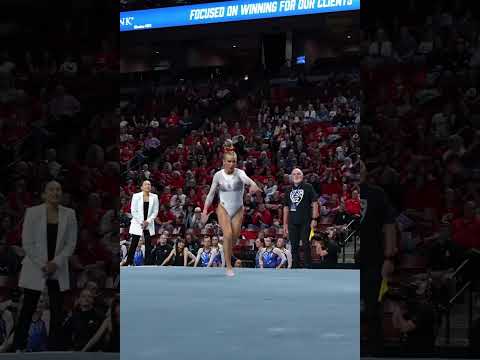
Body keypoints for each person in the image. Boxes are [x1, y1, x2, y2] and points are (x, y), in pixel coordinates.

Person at [13, 180, 78, 351]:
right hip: (36, 267)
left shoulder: (69, 214)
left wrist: (55, 263)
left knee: (57, 309)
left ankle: (55, 347)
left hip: (57, 267)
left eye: (58, 189)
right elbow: (27, 243)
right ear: (44, 194)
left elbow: (71, 243)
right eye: (51, 189)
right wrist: (43, 264)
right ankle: (18, 345)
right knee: (28, 307)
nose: (55, 192)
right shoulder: (32, 213)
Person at [202, 140, 261, 276]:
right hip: (223, 207)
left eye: (234, 161)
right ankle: (228, 266)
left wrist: (253, 185)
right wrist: (205, 210)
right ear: (223, 162)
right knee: (227, 234)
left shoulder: (240, 173)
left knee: (233, 238)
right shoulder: (218, 175)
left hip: (238, 209)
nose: (231, 164)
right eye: (229, 161)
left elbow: (248, 180)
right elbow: (211, 194)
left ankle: (226, 249)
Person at [359, 161, 397, 356]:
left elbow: (389, 224)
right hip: (350, 261)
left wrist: (389, 257)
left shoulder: (377, 194)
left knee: (373, 309)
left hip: (372, 259)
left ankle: (375, 352)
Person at [282, 168, 319, 268]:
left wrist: (315, 219)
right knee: (294, 246)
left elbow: (315, 202)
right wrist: (284, 224)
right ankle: (295, 266)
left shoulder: (308, 187)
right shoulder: (288, 190)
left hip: (305, 221)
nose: (296, 176)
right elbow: (285, 208)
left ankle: (308, 266)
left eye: (298, 174)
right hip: (292, 222)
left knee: (306, 244)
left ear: (302, 176)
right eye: (294, 174)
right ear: (291, 177)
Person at [124, 180, 159, 266]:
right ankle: (129, 261)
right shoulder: (136, 196)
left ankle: (147, 263)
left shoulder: (154, 197)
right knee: (134, 242)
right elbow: (133, 210)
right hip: (137, 222)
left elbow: (155, 211)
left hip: (148, 223)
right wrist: (141, 222)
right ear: (142, 187)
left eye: (149, 184)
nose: (148, 186)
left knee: (148, 243)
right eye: (146, 184)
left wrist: (148, 221)